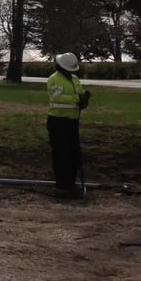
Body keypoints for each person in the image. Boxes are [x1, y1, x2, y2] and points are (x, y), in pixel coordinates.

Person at [46, 52, 91, 197]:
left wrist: (84, 99)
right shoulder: (54, 79)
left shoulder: (75, 79)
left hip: (72, 121)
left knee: (74, 154)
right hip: (58, 121)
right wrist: (78, 98)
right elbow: (57, 97)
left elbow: (79, 93)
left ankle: (71, 183)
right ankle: (62, 185)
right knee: (61, 154)